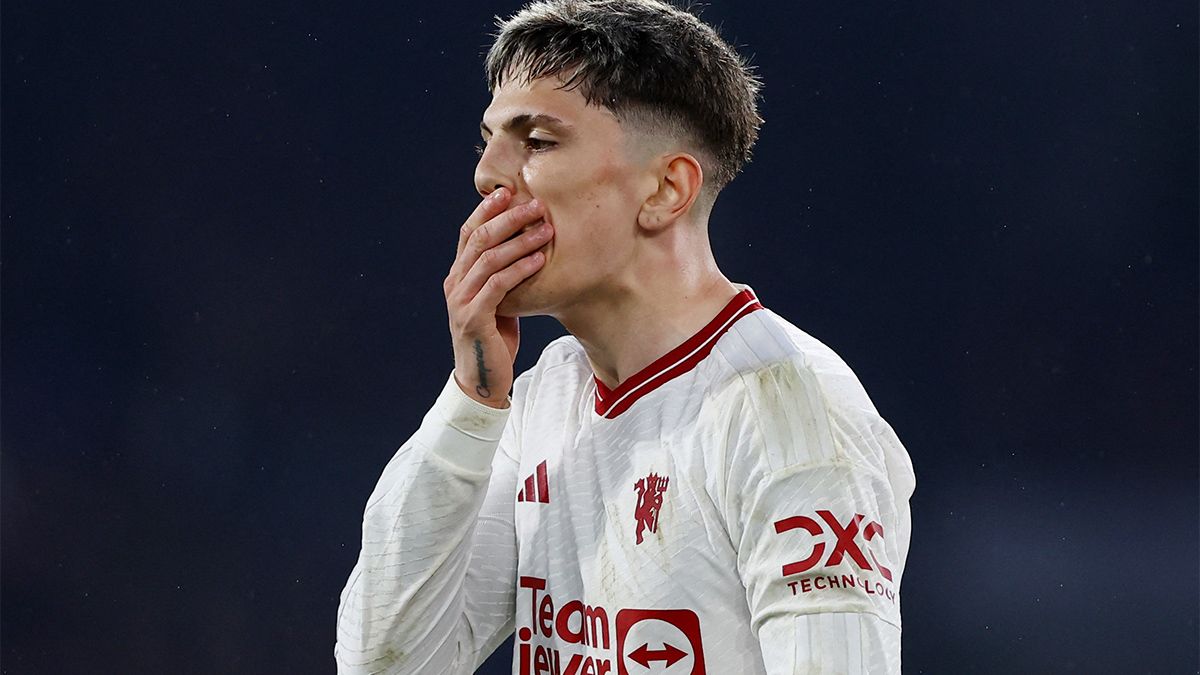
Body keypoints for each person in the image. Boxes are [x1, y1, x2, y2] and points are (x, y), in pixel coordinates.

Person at [335, 1, 916, 673]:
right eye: (487, 141)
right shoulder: (545, 399)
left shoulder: (787, 414)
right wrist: (472, 400)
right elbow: (387, 664)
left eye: (537, 142)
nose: (487, 174)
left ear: (666, 189)